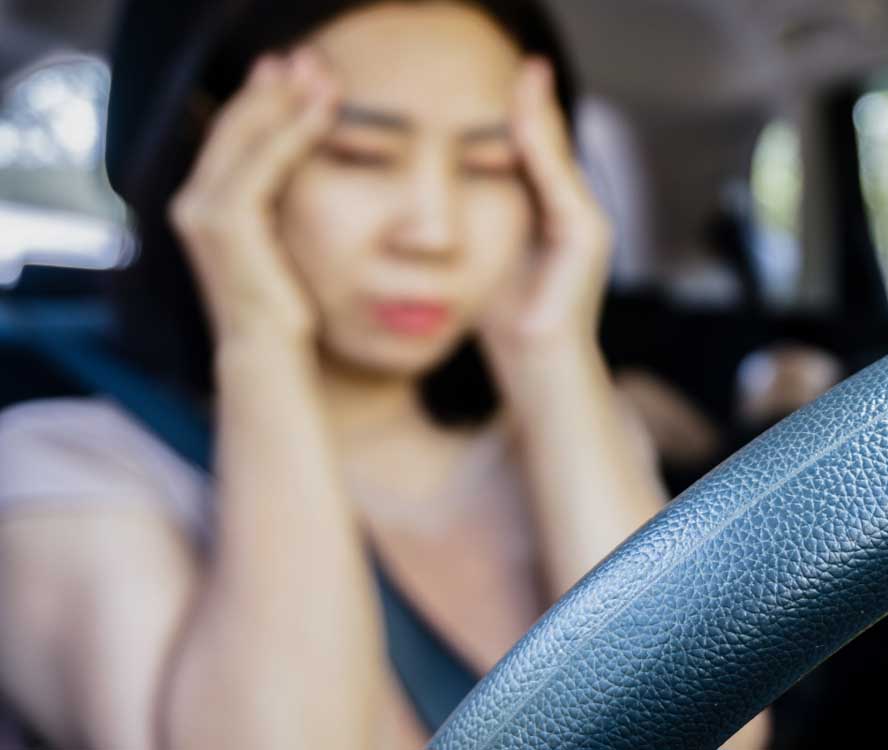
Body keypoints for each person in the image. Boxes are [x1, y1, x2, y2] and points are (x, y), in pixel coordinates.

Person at [0, 1, 772, 748]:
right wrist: (260, 341)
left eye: (490, 164)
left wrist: (551, 352)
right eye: (357, 155)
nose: (431, 232)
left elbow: (723, 738)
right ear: (221, 162)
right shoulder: (64, 471)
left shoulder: (576, 446)